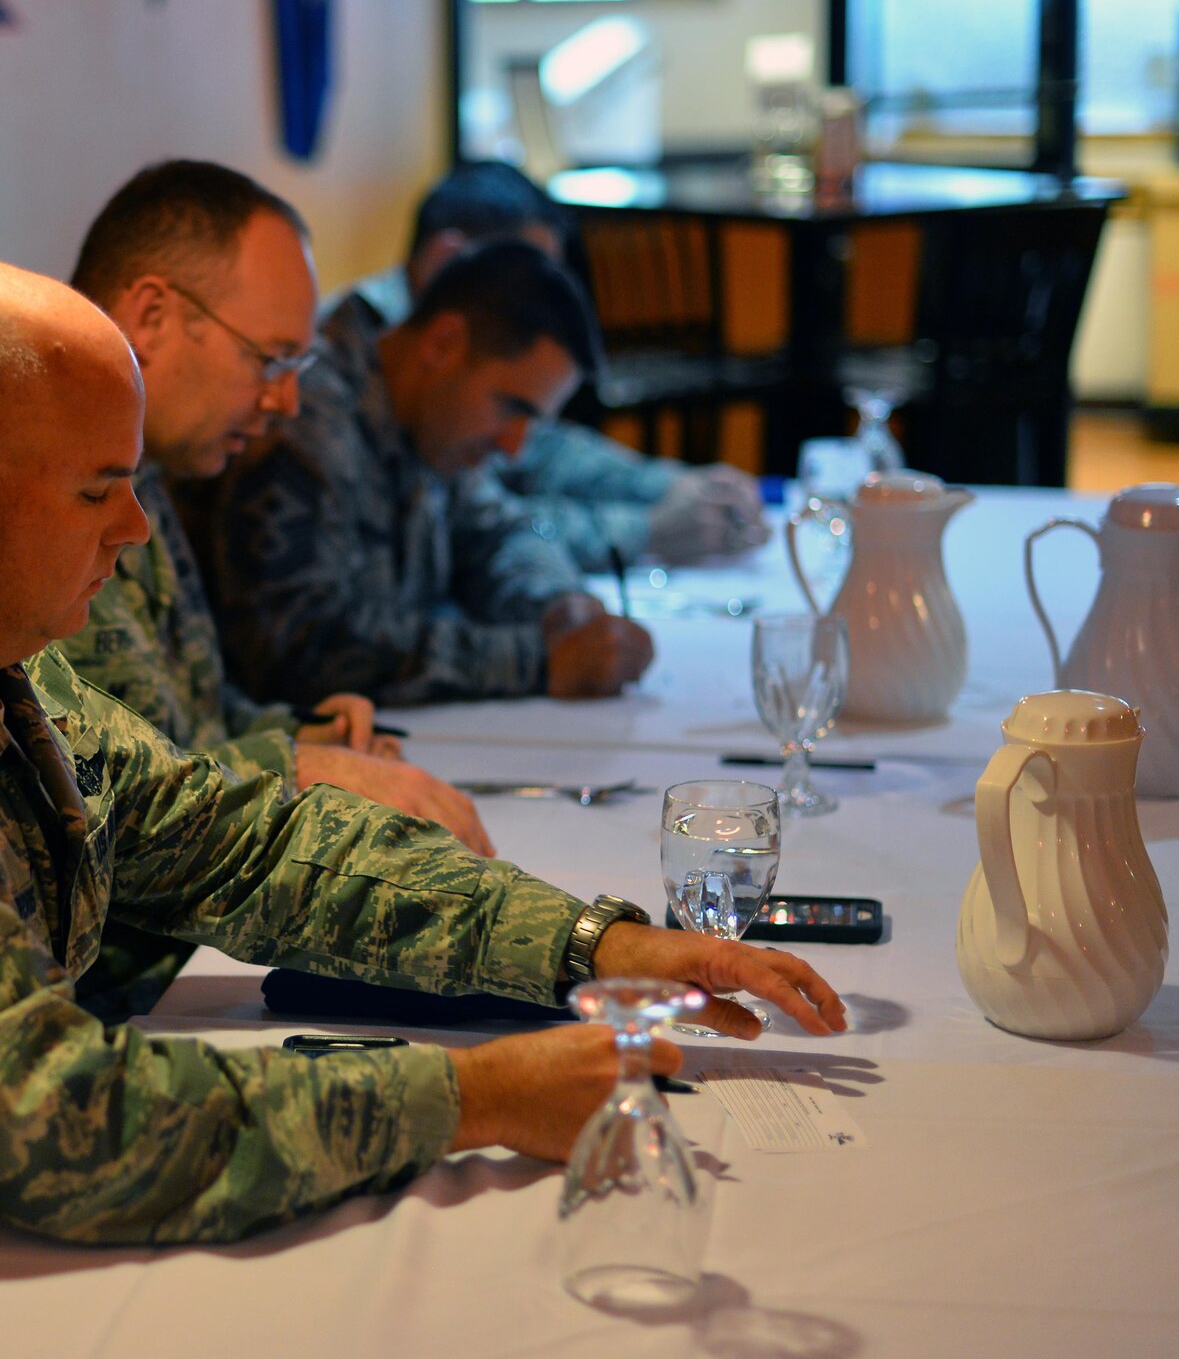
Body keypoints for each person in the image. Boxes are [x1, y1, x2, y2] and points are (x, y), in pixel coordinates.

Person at [0, 255, 847, 1356]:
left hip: (1, 1255)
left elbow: (239, 839)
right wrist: (477, 1097)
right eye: (95, 492)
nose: (135, 528)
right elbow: (63, 1124)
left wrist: (588, 945)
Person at [59, 161, 494, 1018]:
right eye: (271, 358)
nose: (287, 399)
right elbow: (110, 801)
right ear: (150, 316)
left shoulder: (143, 466)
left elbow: (185, 717)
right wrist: (300, 765)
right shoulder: (44, 485)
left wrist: (300, 733)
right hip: (103, 999)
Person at [188, 239, 656, 707]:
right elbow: (296, 650)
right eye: (511, 408)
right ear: (443, 345)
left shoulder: (429, 429)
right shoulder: (301, 422)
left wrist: (557, 606)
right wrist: (537, 661)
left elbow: (495, 533)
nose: (514, 447)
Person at [343, 161, 770, 567]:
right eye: (526, 275)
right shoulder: (357, 366)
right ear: (447, 260)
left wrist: (676, 487)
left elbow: (541, 451)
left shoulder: (462, 359)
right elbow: (471, 530)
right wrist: (647, 529)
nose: (544, 298)